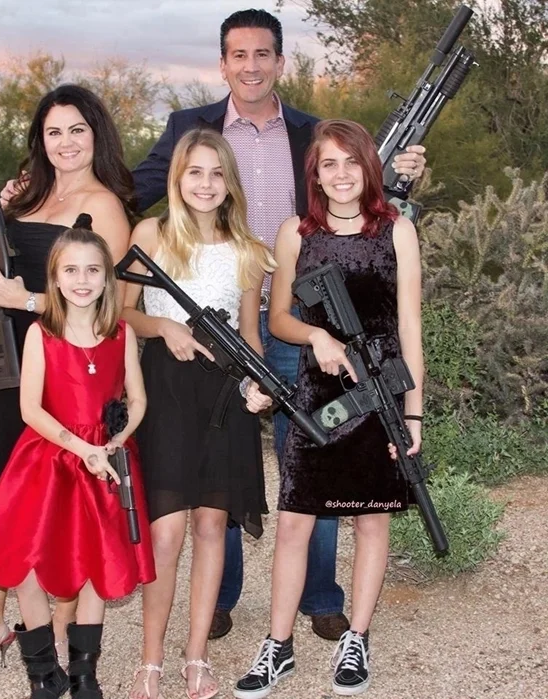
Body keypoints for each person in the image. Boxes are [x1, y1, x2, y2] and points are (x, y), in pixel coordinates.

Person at [131, 8, 427, 642]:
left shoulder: (311, 132)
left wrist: (401, 178)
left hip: (304, 319)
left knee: (316, 455)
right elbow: (134, 188)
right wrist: (50, 192)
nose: (251, 66)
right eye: (238, 55)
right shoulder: (190, 129)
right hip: (223, 321)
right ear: (223, 64)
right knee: (224, 460)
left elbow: (357, 201)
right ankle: (220, 597)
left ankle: (319, 596)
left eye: (262, 53)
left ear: (280, 61)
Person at [0, 84, 134, 682]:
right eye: (54, 131)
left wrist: (28, 299)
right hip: (11, 361)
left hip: (68, 370)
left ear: (96, 135)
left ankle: (54, 631)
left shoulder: (105, 207)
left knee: (63, 504)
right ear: (40, 140)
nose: (66, 142)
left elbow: (109, 306)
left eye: (77, 129)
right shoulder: (29, 193)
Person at [233, 119, 423, 698]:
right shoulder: (296, 232)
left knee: (371, 519)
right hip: (318, 393)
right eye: (328, 165)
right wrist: (316, 336)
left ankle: (356, 638)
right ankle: (278, 646)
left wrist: (414, 414)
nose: (341, 175)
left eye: (351, 162)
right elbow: (278, 318)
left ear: (370, 166)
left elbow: (410, 329)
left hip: (381, 390)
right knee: (295, 520)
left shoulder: (397, 230)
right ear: (313, 174)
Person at [0, 222, 156, 699]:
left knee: (95, 560)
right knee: (24, 560)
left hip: (104, 463)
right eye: (71, 270)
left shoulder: (121, 333)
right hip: (49, 459)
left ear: (107, 278)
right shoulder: (42, 333)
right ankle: (43, 673)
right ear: (54, 277)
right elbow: (30, 409)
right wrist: (79, 447)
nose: (82, 280)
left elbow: (137, 400)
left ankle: (84, 674)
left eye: (92, 270)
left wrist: (116, 440)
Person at [124, 129, 275, 699]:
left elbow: (251, 334)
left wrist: (260, 384)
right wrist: (164, 326)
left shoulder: (248, 249)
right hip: (164, 388)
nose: (206, 184)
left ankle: (196, 658)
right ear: (177, 179)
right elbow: (122, 313)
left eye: (216, 173)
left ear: (229, 182)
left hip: (224, 394)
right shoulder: (151, 234)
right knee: (165, 534)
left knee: (212, 527)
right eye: (195, 172)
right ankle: (150, 662)